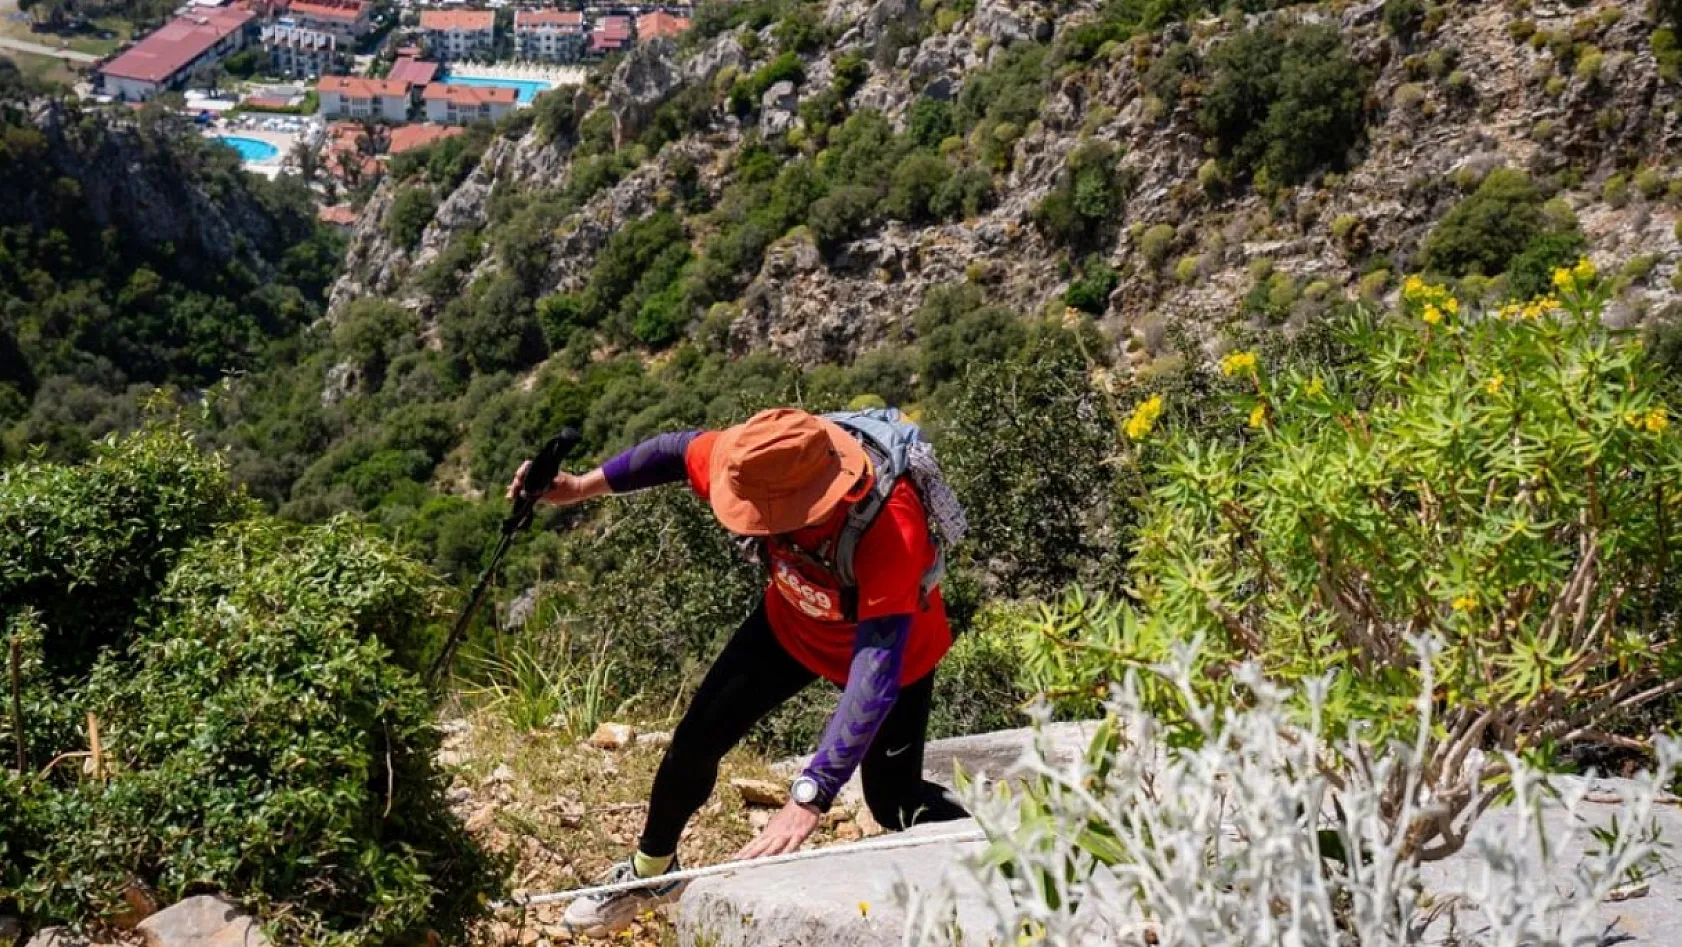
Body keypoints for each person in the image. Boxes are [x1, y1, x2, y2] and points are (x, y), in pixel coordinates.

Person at [507, 407, 969, 936]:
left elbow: (877, 670)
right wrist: (578, 486)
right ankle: (651, 872)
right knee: (695, 743)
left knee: (893, 804)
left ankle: (993, 831)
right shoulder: (754, 462)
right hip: (791, 627)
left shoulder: (892, 525)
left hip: (899, 653)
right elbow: (674, 451)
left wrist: (811, 794)